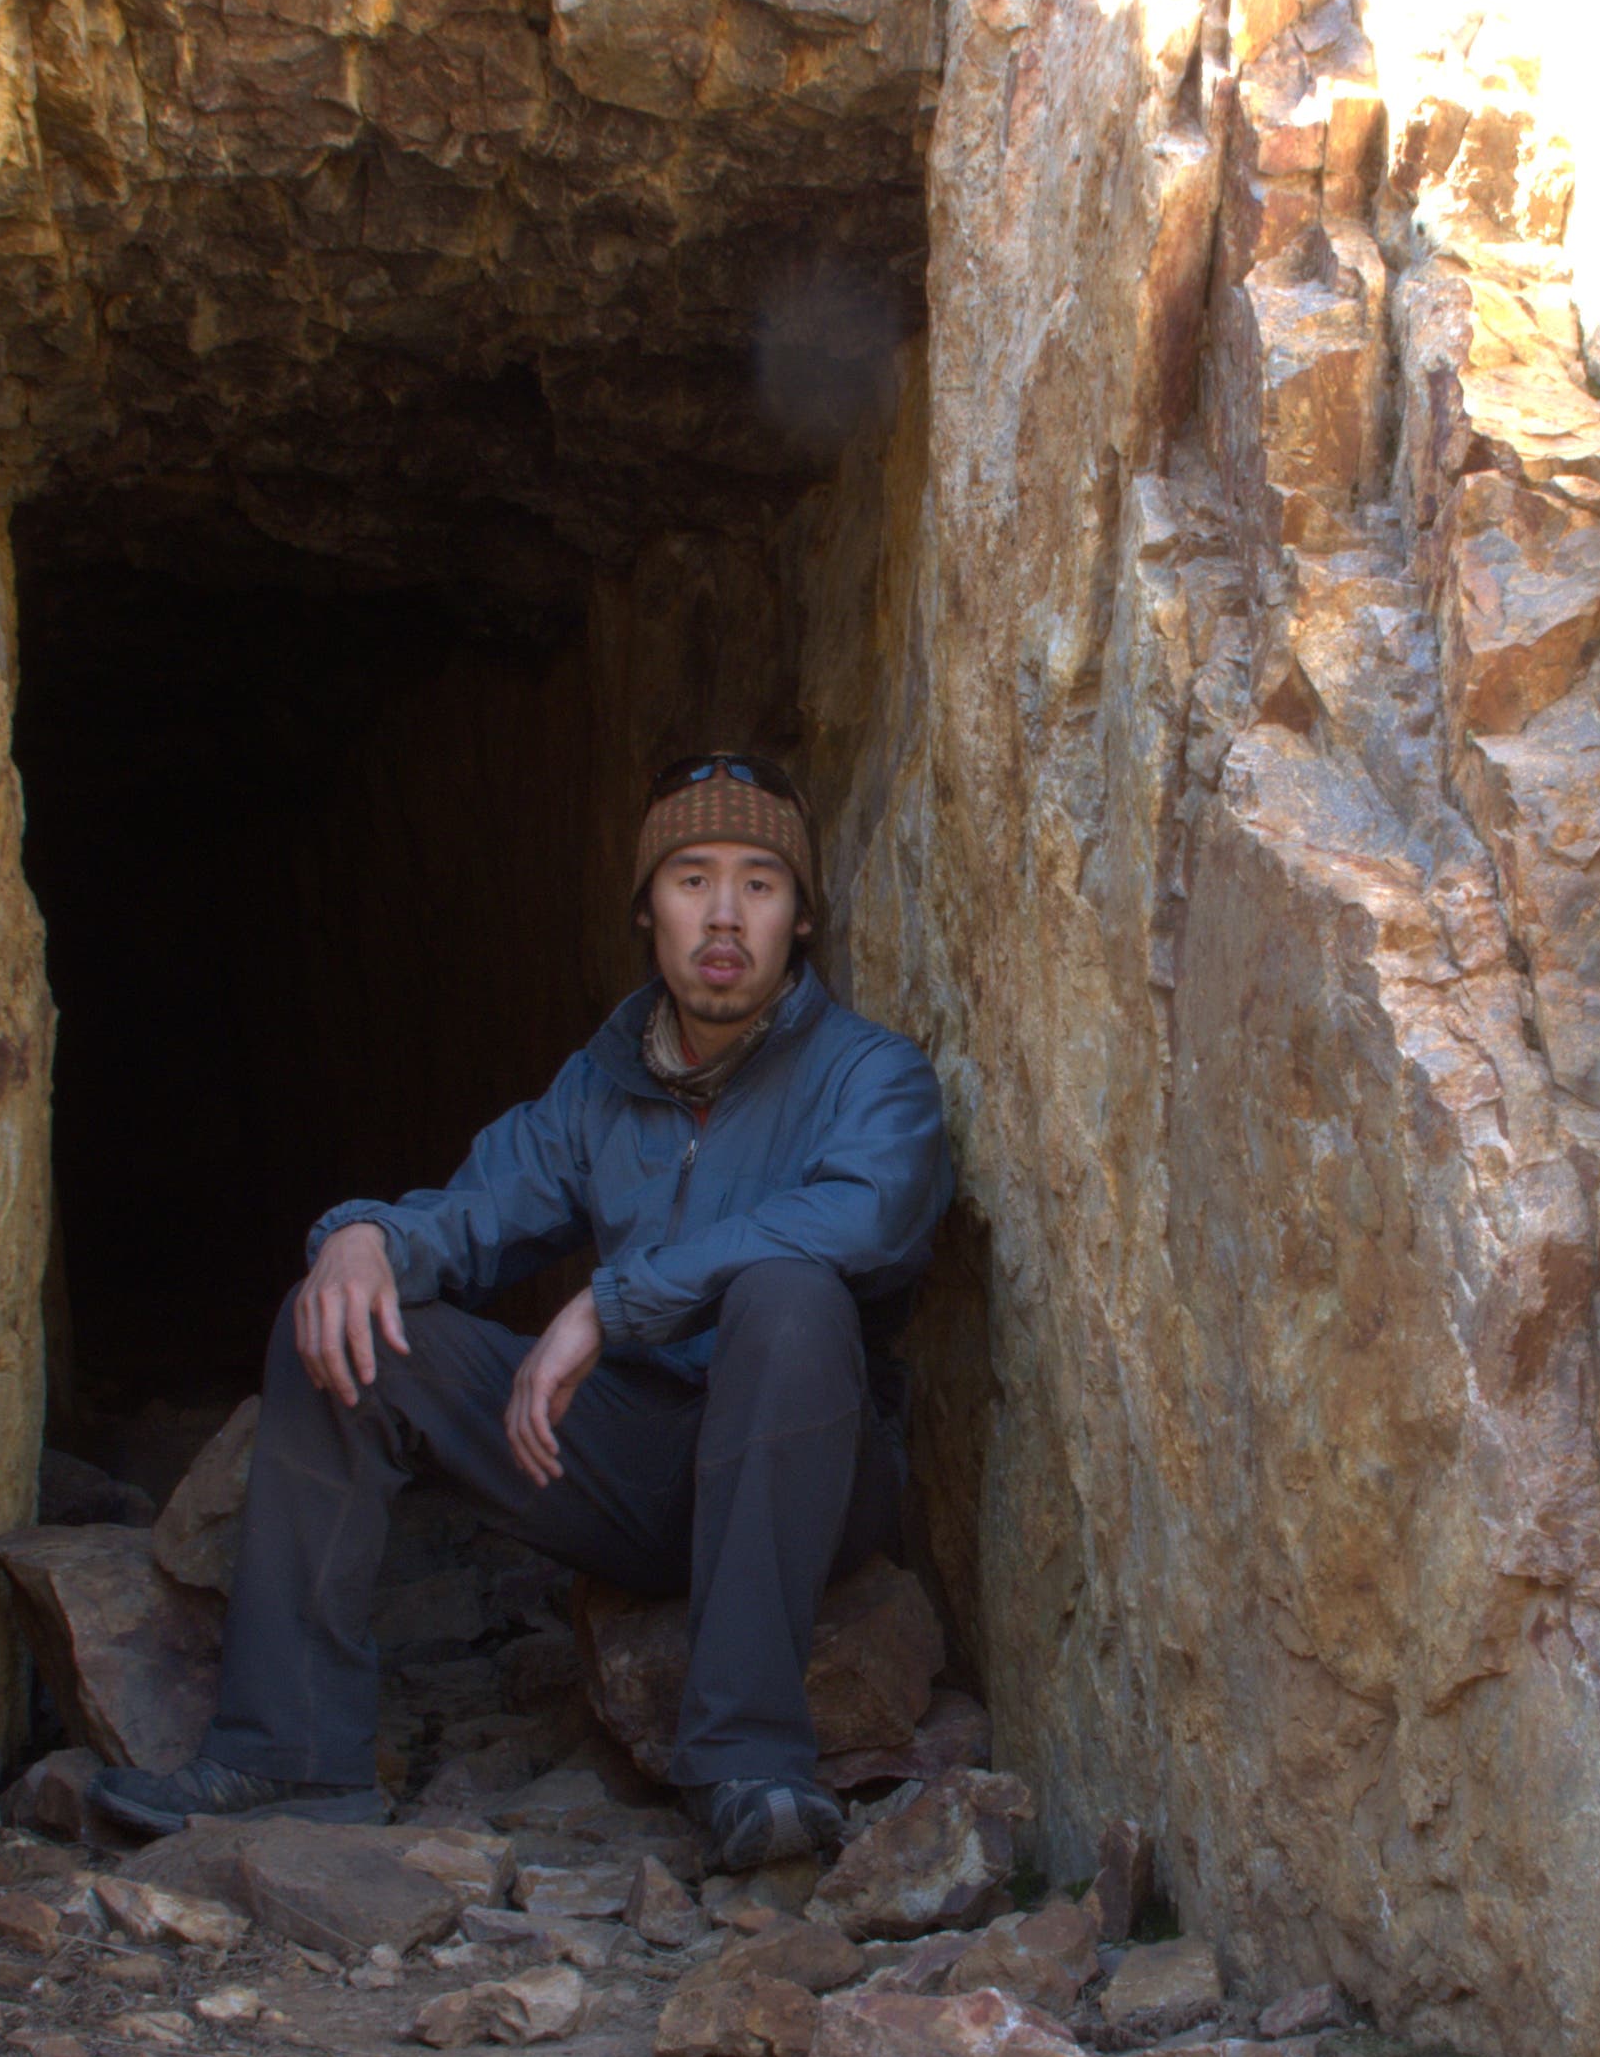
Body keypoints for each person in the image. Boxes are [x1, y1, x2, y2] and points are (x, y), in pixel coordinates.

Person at [89, 751, 953, 1873]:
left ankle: (748, 1763)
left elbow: (864, 1218)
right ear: (649, 909)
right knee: (342, 1316)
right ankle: (291, 1749)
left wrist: (612, 1300)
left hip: (811, 1474)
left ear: (800, 917)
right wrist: (363, 1237)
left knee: (787, 1298)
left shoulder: (873, 1075)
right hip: (636, 1468)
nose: (725, 914)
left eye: (760, 882)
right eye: (692, 879)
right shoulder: (602, 1087)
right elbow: (476, 1213)